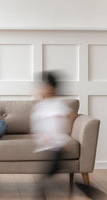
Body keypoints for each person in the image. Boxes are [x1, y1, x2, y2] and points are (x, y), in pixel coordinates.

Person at [30, 71, 77, 199]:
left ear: (53, 89)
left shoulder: (57, 105)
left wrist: (68, 133)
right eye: (42, 87)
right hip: (47, 142)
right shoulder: (41, 106)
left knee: (54, 164)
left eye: (46, 87)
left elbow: (72, 116)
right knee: (52, 165)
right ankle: (43, 183)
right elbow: (37, 123)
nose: (43, 90)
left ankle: (42, 183)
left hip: (56, 142)